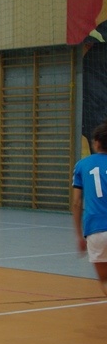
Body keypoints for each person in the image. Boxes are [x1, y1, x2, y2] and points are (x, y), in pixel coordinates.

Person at [72, 119, 107, 296]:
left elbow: (76, 202)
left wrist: (79, 235)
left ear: (97, 142)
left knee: (105, 281)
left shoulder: (82, 165)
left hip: (95, 229)